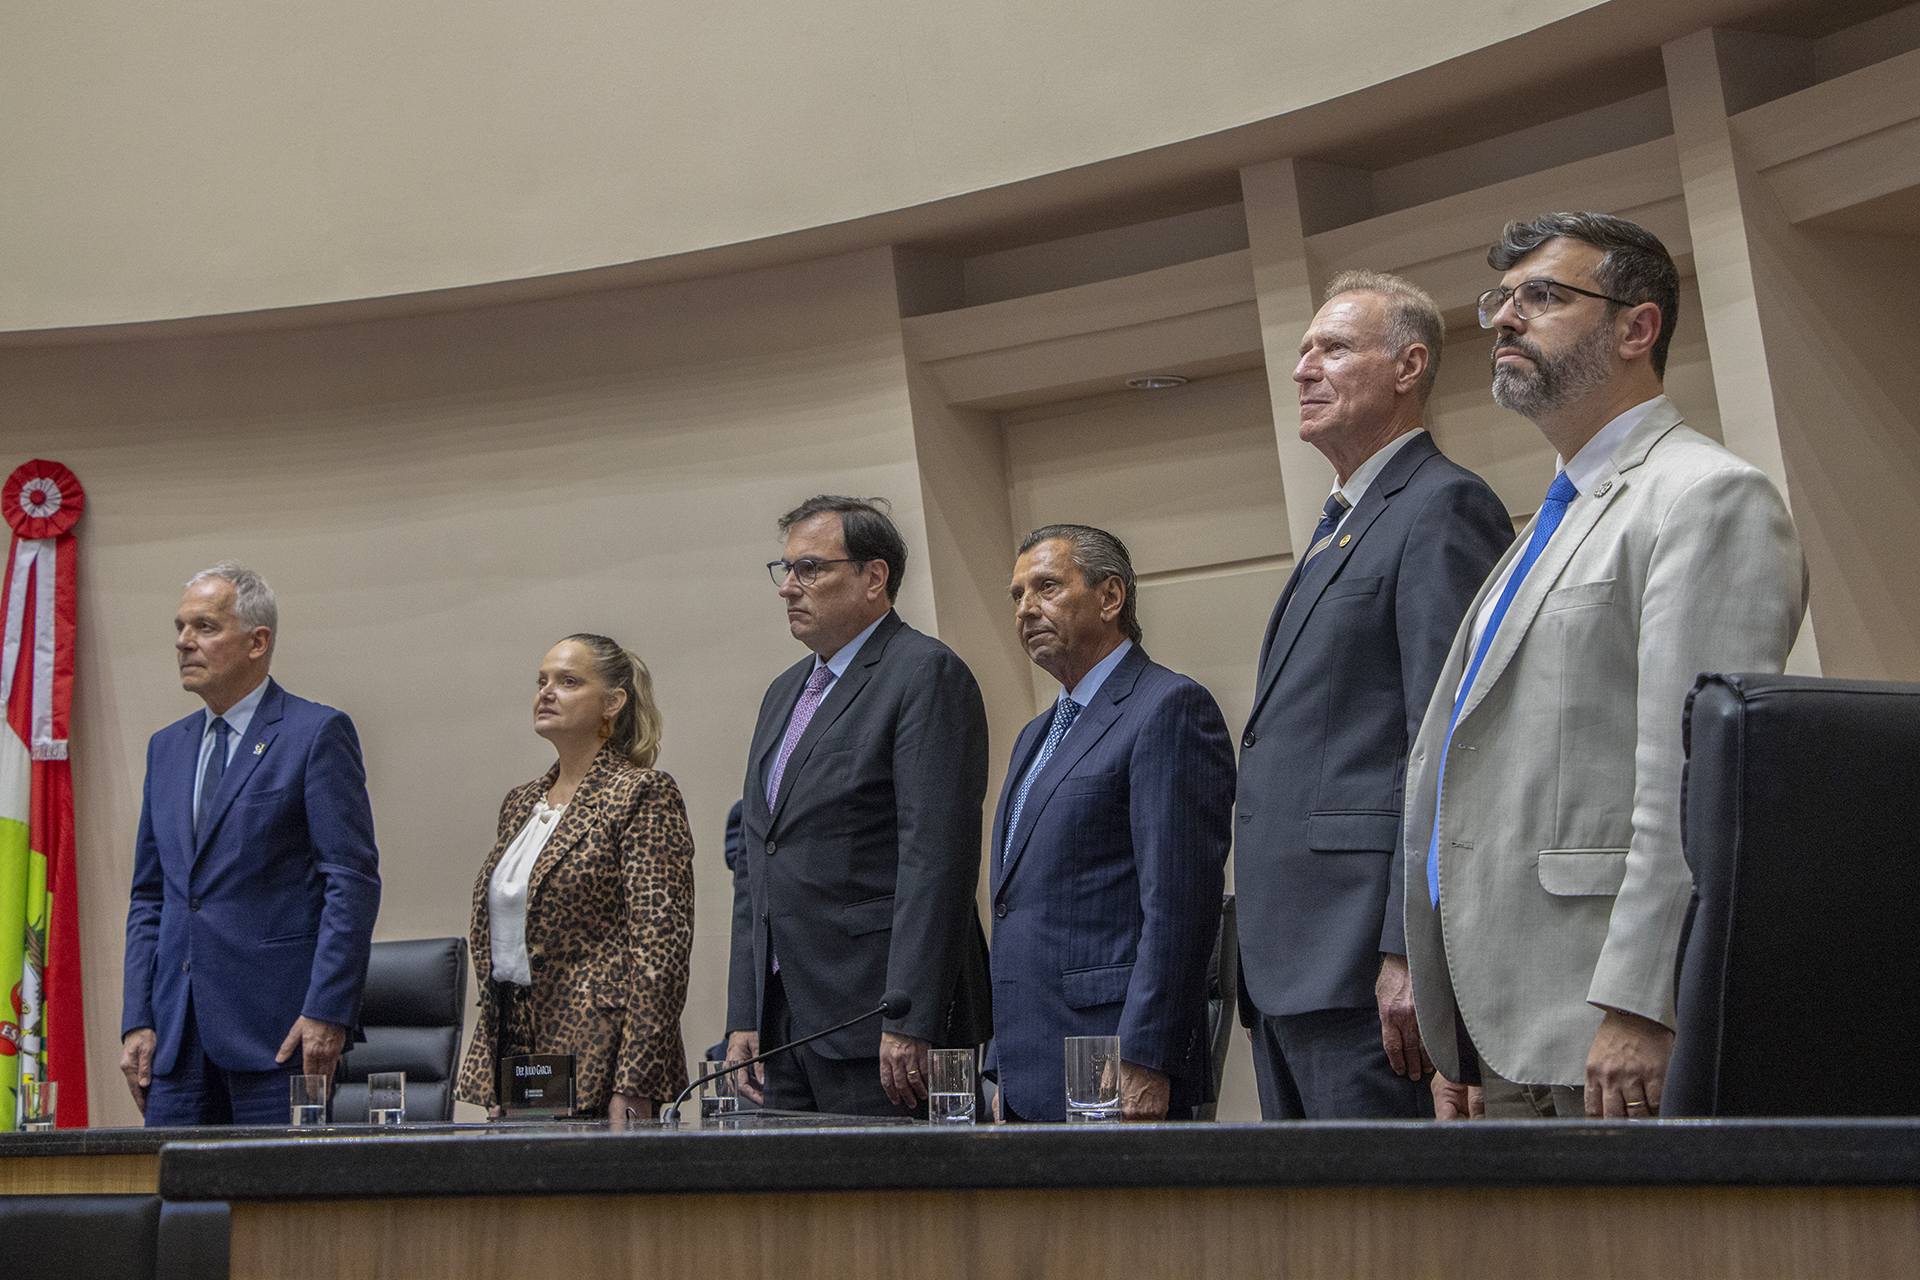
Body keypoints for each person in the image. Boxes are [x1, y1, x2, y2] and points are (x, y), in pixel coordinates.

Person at [1406, 212, 1808, 1120]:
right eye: (1502, 300)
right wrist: (1455, 1025)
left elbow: (1693, 780)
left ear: (1637, 328)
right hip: (1499, 1024)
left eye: (1543, 296)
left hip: (1601, 1022)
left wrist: (1643, 1000)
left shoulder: (1705, 497)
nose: (1506, 319)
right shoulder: (1552, 518)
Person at [1234, 272, 1514, 1120]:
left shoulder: (1441, 505)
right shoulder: (1342, 522)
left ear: (1408, 366)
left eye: (1333, 348)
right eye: (1303, 351)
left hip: (1366, 967)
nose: (1303, 369)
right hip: (1290, 970)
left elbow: (1452, 740)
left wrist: (1413, 949)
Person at [725, 495, 992, 1116]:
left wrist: (911, 1015)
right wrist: (745, 1010)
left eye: (810, 569)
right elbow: (758, 859)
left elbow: (937, 859)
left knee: (894, 1184)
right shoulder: (784, 692)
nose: (788, 587)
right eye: (785, 569)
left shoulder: (924, 672)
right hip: (784, 1020)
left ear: (874, 577)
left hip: (880, 1018)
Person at [120, 563, 381, 1125]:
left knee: (278, 1185)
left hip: (281, 1037)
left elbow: (351, 883)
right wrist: (137, 1018)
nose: (183, 642)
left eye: (204, 627)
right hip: (175, 1039)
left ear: (258, 642)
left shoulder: (315, 733)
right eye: (180, 627)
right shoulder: (166, 748)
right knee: (173, 1184)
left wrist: (327, 1010)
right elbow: (150, 896)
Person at [988, 525, 1234, 1122]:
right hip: (1030, 1068)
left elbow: (1179, 907)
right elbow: (1018, 909)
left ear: (1110, 596)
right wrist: (1002, 1067)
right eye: (1017, 595)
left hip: (1114, 1061)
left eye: (1046, 587)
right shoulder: (1034, 736)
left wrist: (1147, 1057)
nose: (1025, 609)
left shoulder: (1167, 708)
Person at [455, 634, 694, 1120]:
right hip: (518, 1052)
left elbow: (660, 954)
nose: (546, 692)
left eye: (567, 682)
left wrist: (636, 1079)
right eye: (542, 681)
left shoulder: (641, 794)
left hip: (603, 1057)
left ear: (612, 702)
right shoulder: (520, 804)